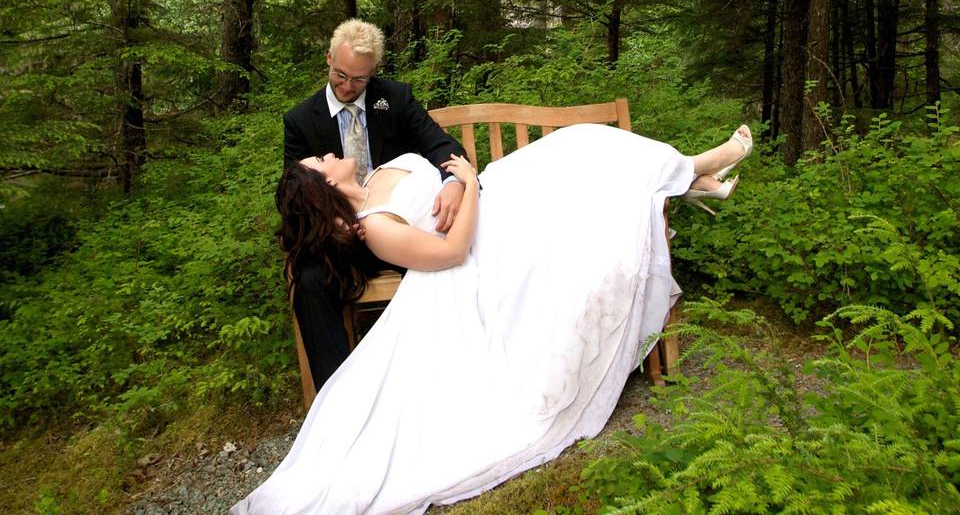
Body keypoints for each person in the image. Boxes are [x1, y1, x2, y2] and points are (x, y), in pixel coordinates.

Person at [232, 121, 753, 515]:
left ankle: (692, 175)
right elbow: (455, 252)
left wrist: (464, 182)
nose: (328, 152)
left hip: (499, 193)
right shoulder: (376, 227)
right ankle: (696, 173)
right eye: (320, 161)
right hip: (494, 235)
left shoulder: (380, 176)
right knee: (581, 170)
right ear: (322, 186)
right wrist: (471, 186)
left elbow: (446, 169)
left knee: (581, 142)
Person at [283, 18, 467, 388]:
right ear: (328, 59)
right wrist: (331, 224)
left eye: (360, 79)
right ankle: (336, 398)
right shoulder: (301, 121)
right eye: (341, 75)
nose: (348, 86)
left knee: (439, 274)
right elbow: (295, 192)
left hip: (400, 228)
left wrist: (453, 183)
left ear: (373, 74)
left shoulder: (394, 99)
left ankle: (438, 378)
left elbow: (440, 145)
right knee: (310, 279)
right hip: (347, 236)